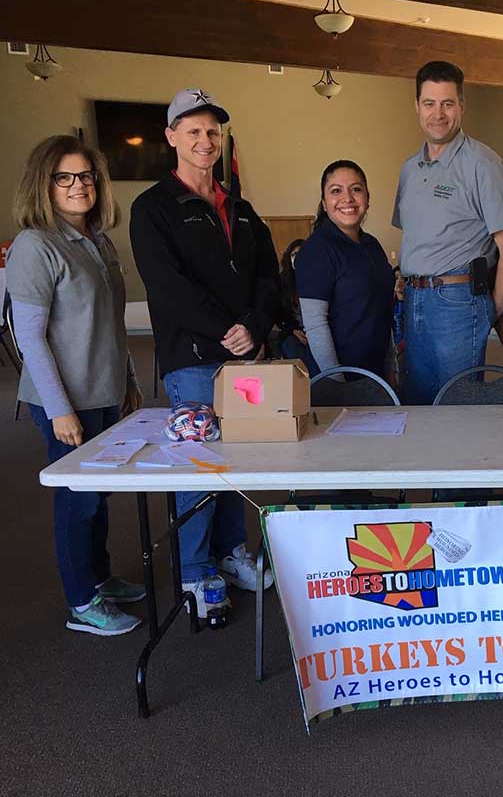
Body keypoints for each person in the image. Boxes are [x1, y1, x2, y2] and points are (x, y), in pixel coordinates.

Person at [129, 88, 280, 618]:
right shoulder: (152, 208)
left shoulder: (240, 207)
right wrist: (226, 331)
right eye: (192, 131)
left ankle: (231, 553)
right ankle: (195, 572)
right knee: (199, 466)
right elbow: (167, 287)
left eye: (212, 131)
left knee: (238, 461)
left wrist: (256, 326)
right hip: (192, 359)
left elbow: (268, 276)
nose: (204, 140)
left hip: (244, 358)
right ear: (171, 137)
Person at [7, 135, 144, 635]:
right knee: (76, 499)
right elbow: (30, 338)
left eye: (85, 176)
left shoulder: (99, 240)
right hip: (66, 401)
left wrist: (128, 379)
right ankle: (82, 603)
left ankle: (99, 577)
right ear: (44, 184)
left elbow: (110, 323)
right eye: (64, 177)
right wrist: (60, 408)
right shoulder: (34, 245)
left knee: (99, 494)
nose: (77, 185)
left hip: (104, 391)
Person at [393, 61, 503, 404]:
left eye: (447, 103)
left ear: (462, 107)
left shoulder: (482, 165)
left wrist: (484, 313)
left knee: (456, 411)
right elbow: (412, 238)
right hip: (414, 301)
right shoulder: (410, 169)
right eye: (429, 103)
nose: (438, 114)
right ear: (416, 107)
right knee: (417, 407)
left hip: (458, 302)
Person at [295, 160, 394, 378]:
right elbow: (316, 326)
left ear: (368, 198)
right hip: (338, 380)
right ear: (324, 202)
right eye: (336, 191)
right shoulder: (317, 250)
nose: (347, 198)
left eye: (356, 189)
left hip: (374, 375)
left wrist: (390, 368)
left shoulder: (373, 246)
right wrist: (337, 383)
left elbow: (381, 312)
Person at [275, 238, 316, 372]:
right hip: (292, 331)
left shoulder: (318, 278)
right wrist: (293, 330)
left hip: (317, 331)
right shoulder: (282, 282)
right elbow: (278, 314)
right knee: (292, 348)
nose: (297, 258)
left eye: (301, 253)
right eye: (294, 254)